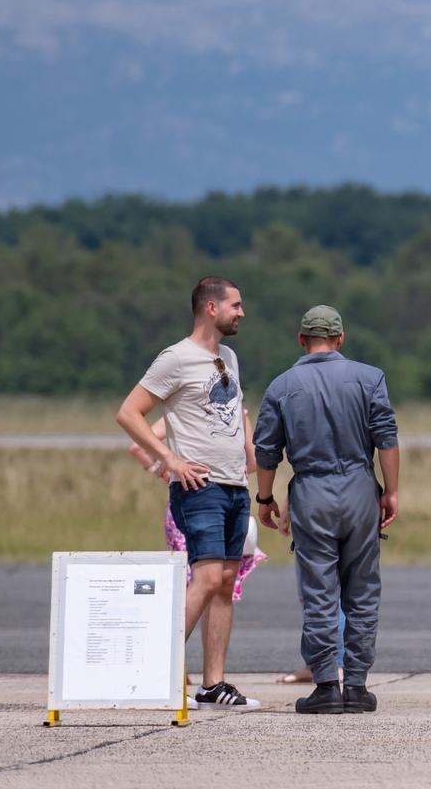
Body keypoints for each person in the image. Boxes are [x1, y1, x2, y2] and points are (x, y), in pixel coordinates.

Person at [115, 275, 260, 710]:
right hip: (200, 486)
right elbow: (129, 413)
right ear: (211, 308)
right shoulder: (175, 358)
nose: (242, 312)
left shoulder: (229, 357)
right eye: (235, 304)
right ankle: (154, 672)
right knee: (208, 576)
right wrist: (170, 459)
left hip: (234, 485)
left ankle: (213, 684)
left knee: (226, 583)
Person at [253, 305, 400, 715]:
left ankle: (324, 685)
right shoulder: (370, 378)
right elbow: (386, 439)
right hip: (358, 488)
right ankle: (356, 684)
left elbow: (267, 450)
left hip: (311, 491)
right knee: (363, 591)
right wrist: (390, 492)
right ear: (340, 339)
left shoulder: (282, 386)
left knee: (320, 591)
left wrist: (265, 499)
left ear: (301, 339)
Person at [128, 412, 267, 602]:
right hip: (228, 497)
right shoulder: (237, 412)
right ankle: (188, 630)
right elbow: (253, 462)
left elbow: (138, 448)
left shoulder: (184, 409)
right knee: (218, 585)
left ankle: (178, 628)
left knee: (194, 580)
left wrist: (166, 472)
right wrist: (227, 472)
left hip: (190, 496)